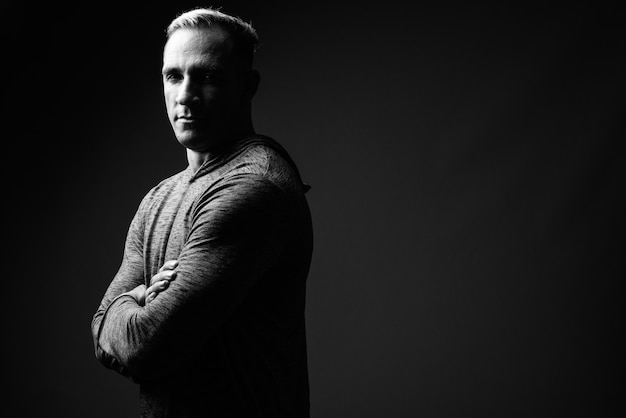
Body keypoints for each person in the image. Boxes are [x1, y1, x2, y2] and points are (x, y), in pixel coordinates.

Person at [91, 7, 313, 417]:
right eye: (173, 76)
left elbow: (142, 346)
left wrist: (131, 303)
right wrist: (122, 312)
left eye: (208, 77)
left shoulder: (254, 185)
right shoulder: (159, 197)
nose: (185, 95)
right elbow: (98, 329)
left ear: (248, 86)